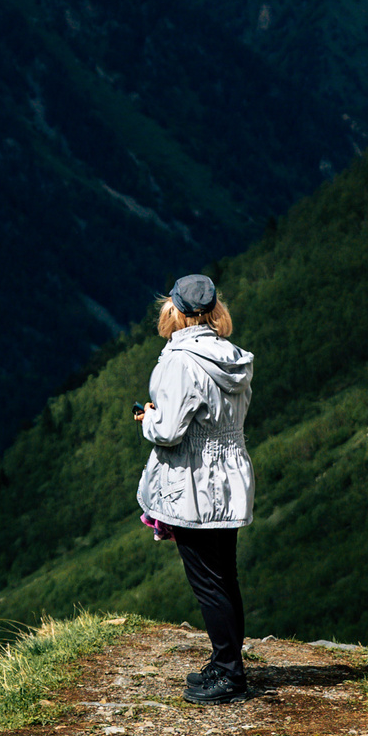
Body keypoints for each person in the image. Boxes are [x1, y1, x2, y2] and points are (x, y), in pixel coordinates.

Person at [134, 272, 254, 705]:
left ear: (175, 310)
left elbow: (167, 431)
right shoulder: (235, 358)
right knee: (225, 576)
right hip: (231, 475)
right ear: (216, 309)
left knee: (207, 582)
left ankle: (229, 674)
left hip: (193, 481)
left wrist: (146, 417)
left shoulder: (178, 360)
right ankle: (227, 662)